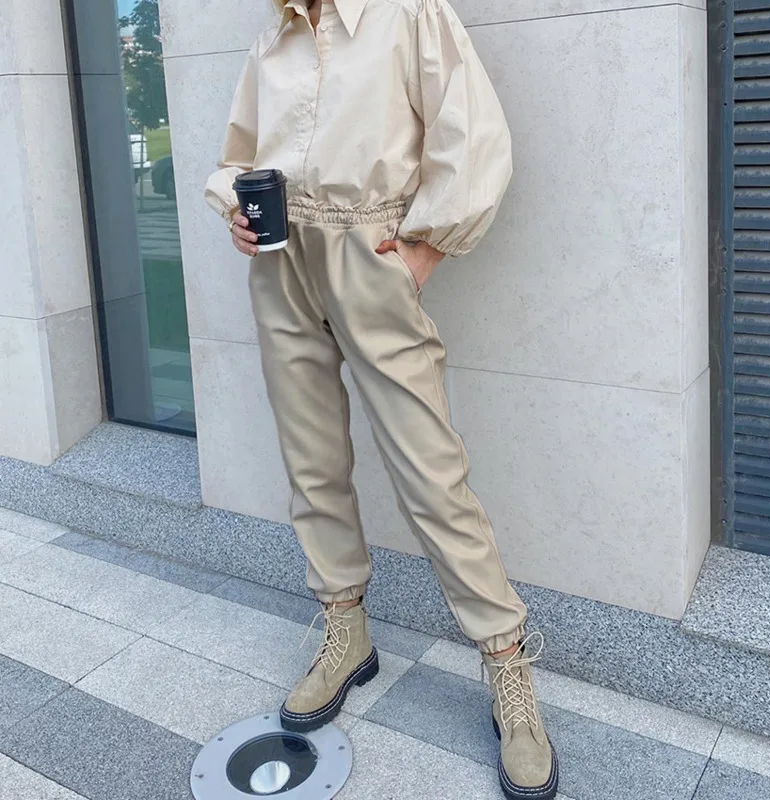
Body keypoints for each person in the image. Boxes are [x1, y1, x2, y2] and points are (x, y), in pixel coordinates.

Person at [205, 0, 558, 797]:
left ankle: (508, 664)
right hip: (280, 262)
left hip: (370, 255)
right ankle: (346, 632)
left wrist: (424, 251)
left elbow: (473, 134)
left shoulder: (409, 14)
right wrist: (236, 211)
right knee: (311, 460)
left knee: (431, 472)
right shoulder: (274, 37)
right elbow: (239, 154)